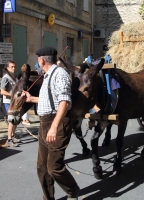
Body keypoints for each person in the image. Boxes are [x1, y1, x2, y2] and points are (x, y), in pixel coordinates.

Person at [21, 46, 80, 200]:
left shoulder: (59, 74)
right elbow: (50, 100)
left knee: (54, 167)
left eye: (37, 59)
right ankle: (48, 198)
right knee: (42, 167)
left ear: (41, 60)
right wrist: (31, 99)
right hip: (44, 122)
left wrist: (53, 127)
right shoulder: (47, 75)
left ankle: (73, 191)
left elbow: (64, 101)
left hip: (57, 123)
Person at [1, 60, 21, 147]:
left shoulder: (15, 77)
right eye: (12, 67)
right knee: (11, 121)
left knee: (16, 120)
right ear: (7, 68)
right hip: (8, 102)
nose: (14, 68)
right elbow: (2, 91)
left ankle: (12, 136)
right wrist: (12, 95)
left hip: (15, 102)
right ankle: (9, 140)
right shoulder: (6, 77)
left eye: (15, 67)